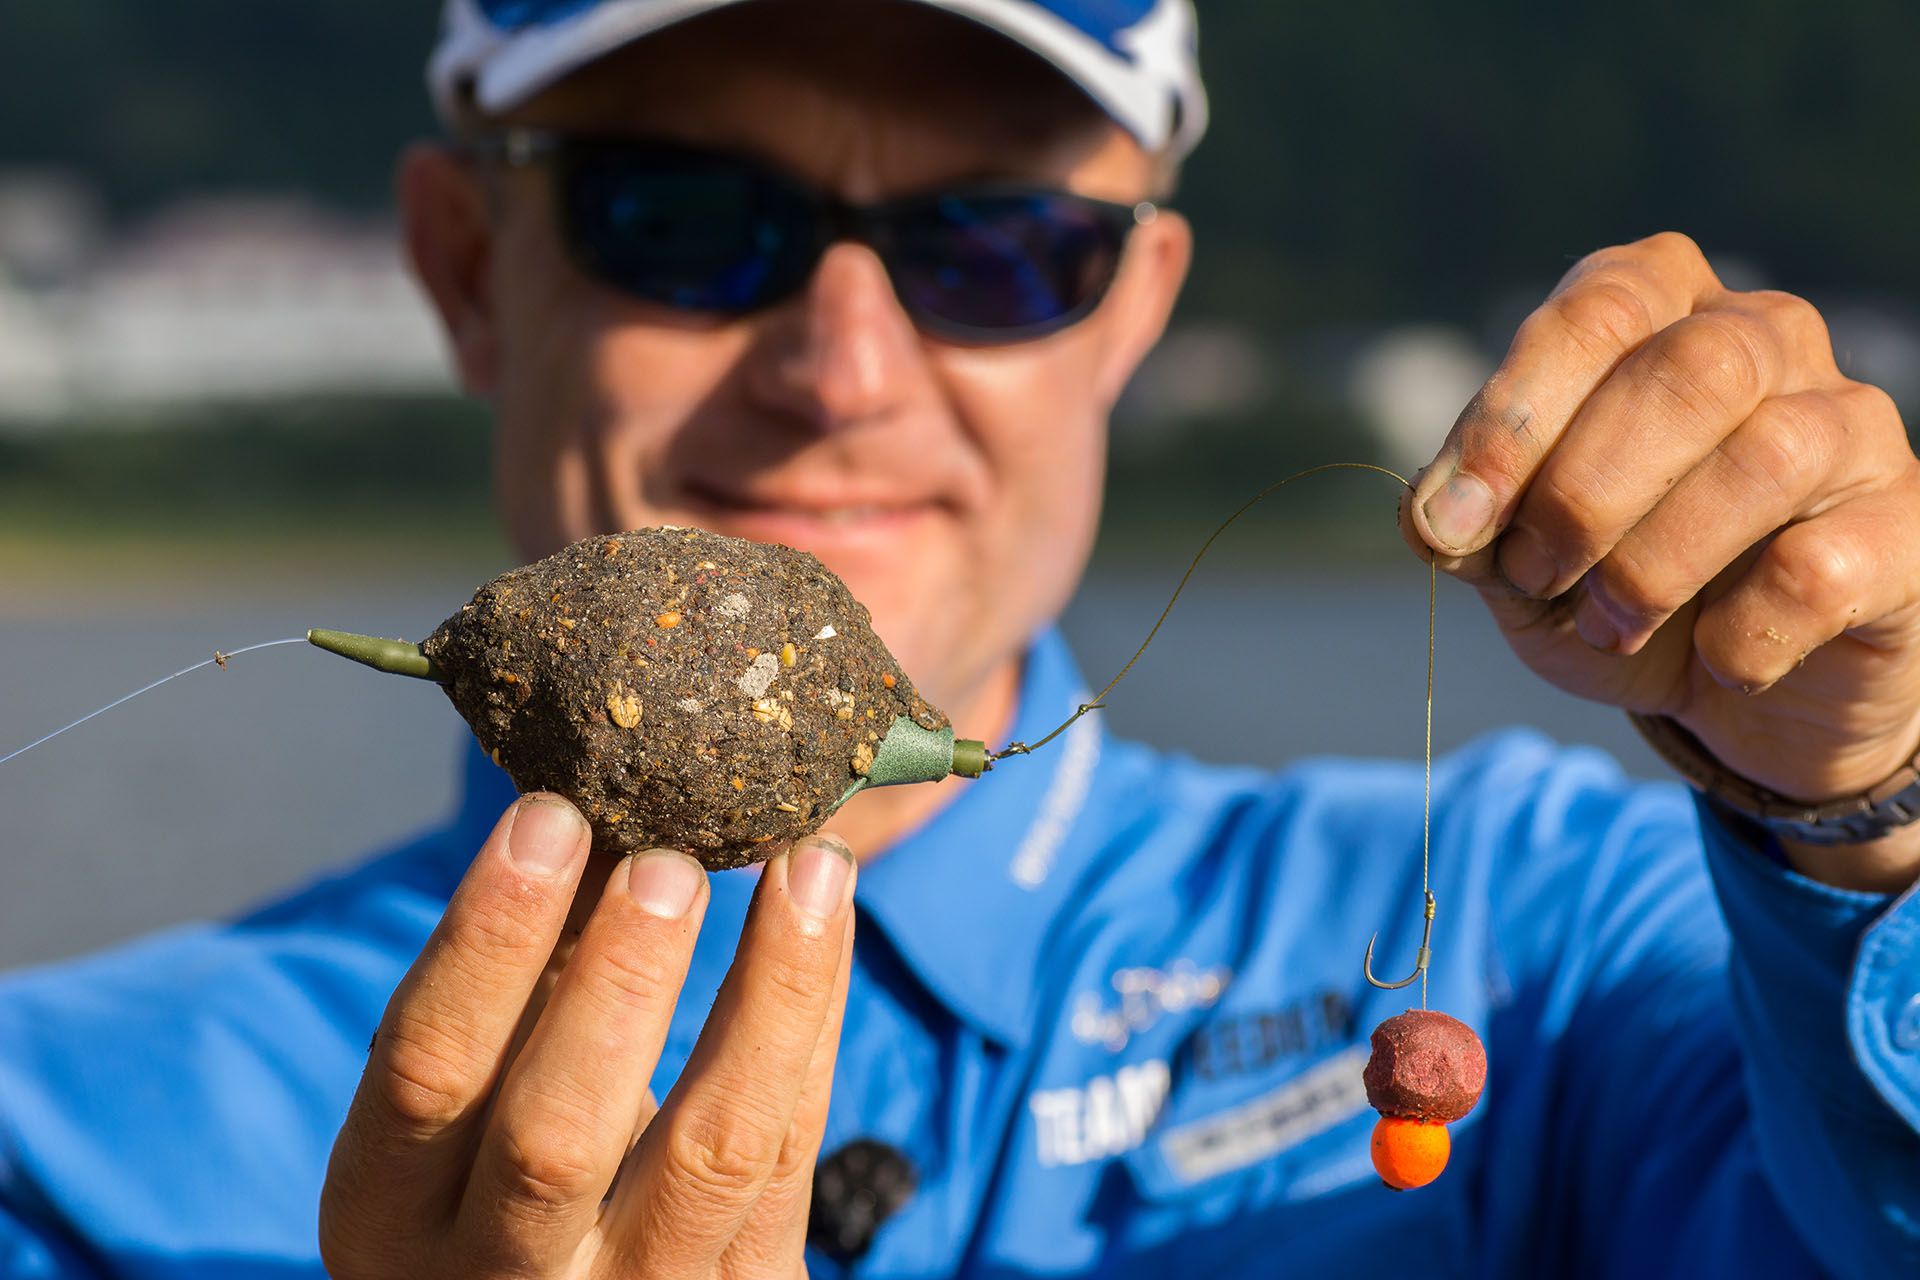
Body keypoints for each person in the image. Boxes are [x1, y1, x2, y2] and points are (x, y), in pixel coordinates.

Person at [2, 0, 1917, 1275]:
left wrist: (1871, 805)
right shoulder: (61, 1141)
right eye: (683, 221)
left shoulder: (1531, 942)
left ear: (1133, 308)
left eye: (998, 248)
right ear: (463, 270)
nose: (843, 371)